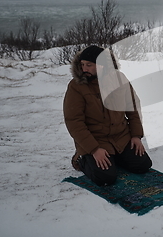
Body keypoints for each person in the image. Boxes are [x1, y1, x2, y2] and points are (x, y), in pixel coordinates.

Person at [63, 45, 152, 186]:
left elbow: (133, 108)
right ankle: (81, 159)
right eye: (82, 65)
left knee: (142, 165)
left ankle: (115, 157)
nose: (84, 69)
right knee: (105, 178)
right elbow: (74, 122)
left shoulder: (120, 79)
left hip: (121, 138)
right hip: (96, 141)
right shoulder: (76, 86)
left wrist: (136, 135)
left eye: (89, 65)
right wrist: (94, 149)